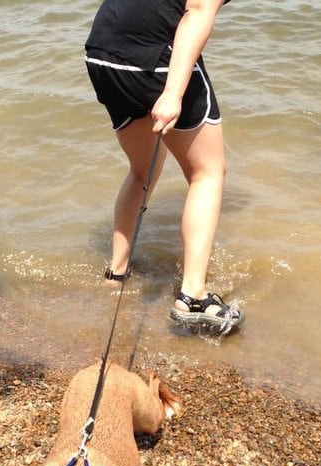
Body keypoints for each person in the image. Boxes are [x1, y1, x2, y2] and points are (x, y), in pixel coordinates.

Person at [85, 0, 244, 332]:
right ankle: (194, 296)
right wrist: (173, 92)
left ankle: (116, 274)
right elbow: (198, 10)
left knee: (142, 170)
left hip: (103, 52)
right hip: (152, 57)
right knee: (208, 173)